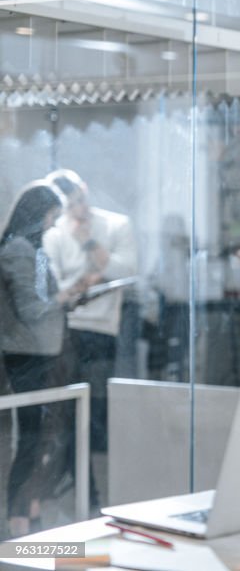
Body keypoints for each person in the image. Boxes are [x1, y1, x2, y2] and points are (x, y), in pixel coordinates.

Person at [0, 182, 84, 536]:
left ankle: (27, 512)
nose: (53, 224)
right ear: (38, 213)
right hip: (28, 354)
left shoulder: (29, 248)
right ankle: (20, 519)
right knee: (33, 438)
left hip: (39, 351)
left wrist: (67, 298)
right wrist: (64, 298)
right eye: (51, 216)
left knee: (41, 438)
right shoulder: (20, 250)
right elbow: (33, 309)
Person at [42, 170, 137, 454]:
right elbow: (55, 287)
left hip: (103, 328)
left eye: (81, 200)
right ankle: (70, 471)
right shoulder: (55, 233)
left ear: (86, 190)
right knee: (66, 408)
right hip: (66, 329)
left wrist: (90, 244)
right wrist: (91, 277)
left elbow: (128, 271)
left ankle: (91, 473)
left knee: (96, 404)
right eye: (71, 205)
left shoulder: (116, 225)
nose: (80, 209)